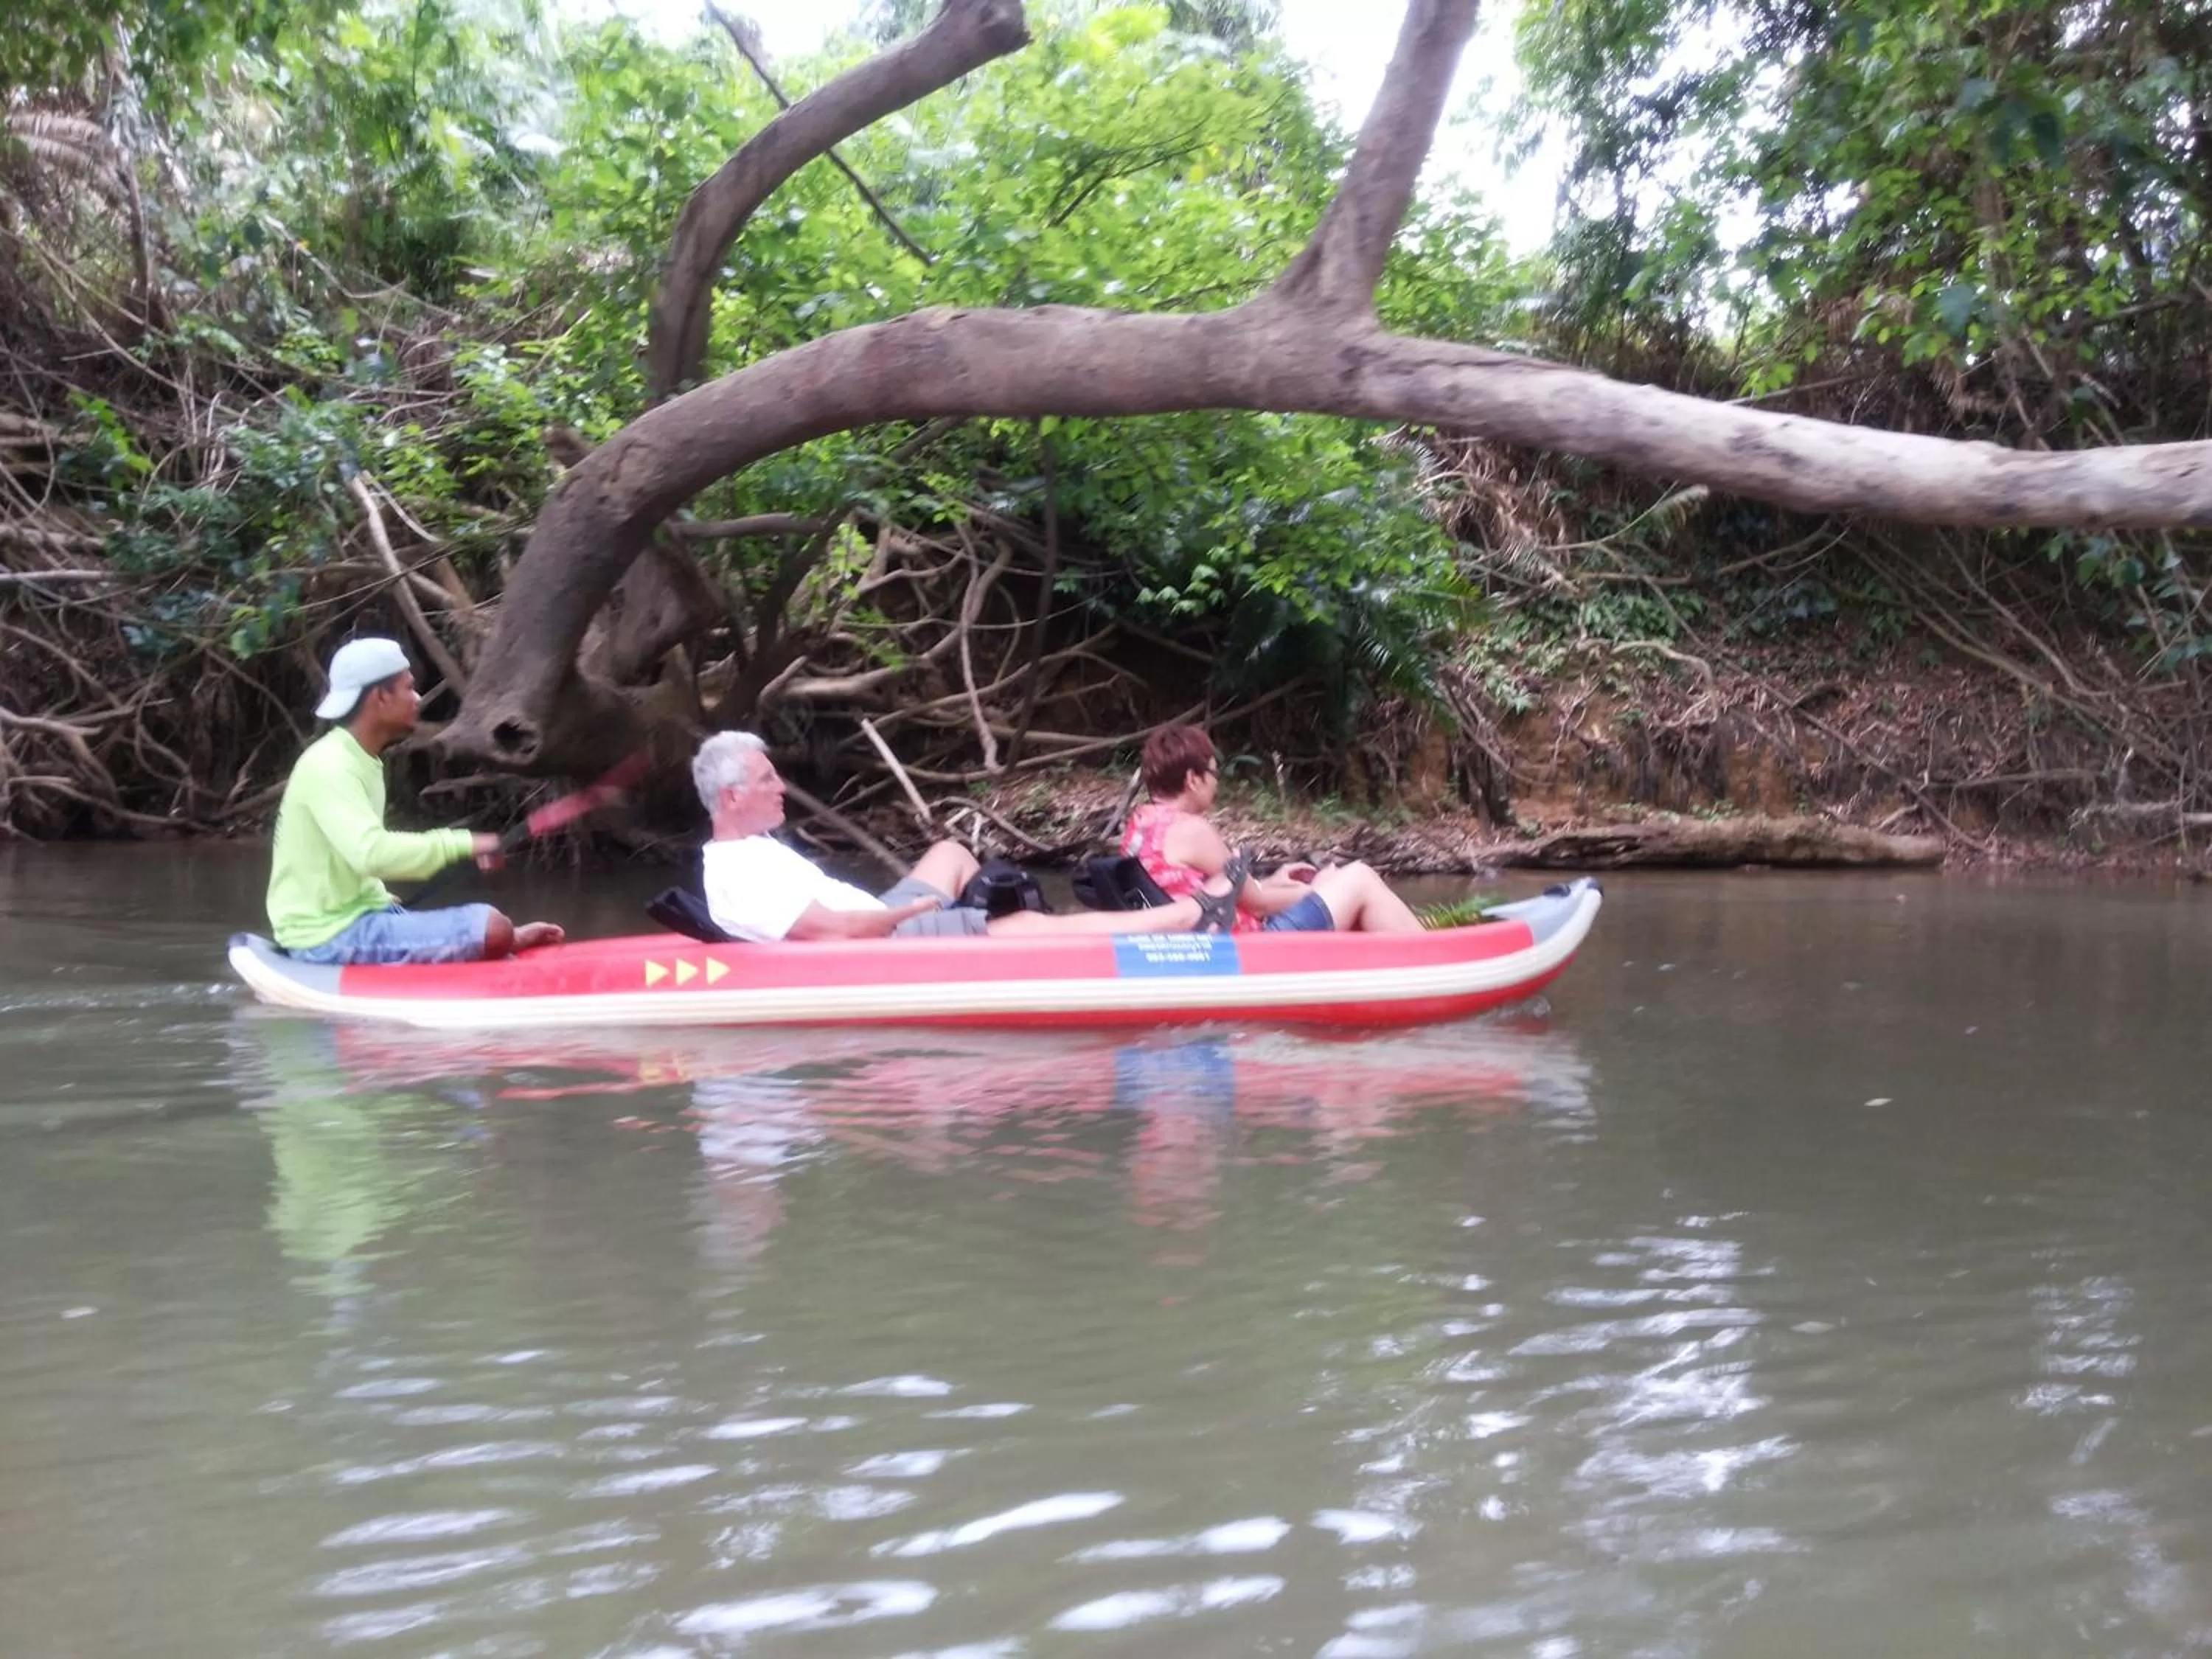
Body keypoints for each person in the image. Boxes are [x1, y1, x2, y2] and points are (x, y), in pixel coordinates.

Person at [692, 731, 1243, 942]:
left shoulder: (749, 848)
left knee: (951, 852)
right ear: (733, 797)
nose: (782, 785)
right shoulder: (737, 872)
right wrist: (898, 918)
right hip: (877, 939)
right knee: (1016, 923)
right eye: (768, 779)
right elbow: (830, 931)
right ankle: (1185, 916)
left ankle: (995, 923)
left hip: (874, 912)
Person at [265, 637, 564, 964]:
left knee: (493, 929)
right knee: (492, 927)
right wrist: (464, 844)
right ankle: (495, 938)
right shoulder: (331, 765)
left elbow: (353, 862)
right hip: (325, 936)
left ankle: (496, 938)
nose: (418, 698)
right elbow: (371, 854)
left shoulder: (359, 758)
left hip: (357, 918)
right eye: (408, 688)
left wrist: (378, 897)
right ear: (381, 697)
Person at [1123, 723, 1424, 934]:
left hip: (1201, 935)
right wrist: (1317, 889)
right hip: (1252, 945)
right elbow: (1259, 905)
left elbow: (1238, 893)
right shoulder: (1190, 830)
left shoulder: (1141, 825)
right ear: (1193, 779)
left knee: (1342, 886)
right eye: (1214, 772)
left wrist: (1277, 881)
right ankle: (1430, 957)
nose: (1217, 781)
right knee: (1360, 878)